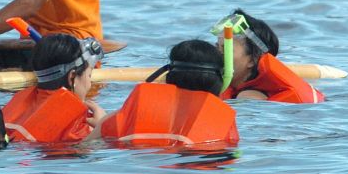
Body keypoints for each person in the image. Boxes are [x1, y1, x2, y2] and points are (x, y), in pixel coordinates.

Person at [87, 40, 239, 147]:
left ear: (169, 74)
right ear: (218, 80)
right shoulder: (224, 120)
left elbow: (86, 145)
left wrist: (101, 122)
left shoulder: (129, 111)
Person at [2, 33, 104, 143]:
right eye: (89, 76)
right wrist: (102, 127)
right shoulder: (78, 126)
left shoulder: (20, 103)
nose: (89, 83)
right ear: (72, 77)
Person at [211, 9, 324, 104]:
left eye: (226, 50)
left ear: (253, 59)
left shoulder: (248, 97)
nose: (216, 54)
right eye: (217, 47)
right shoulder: (235, 89)